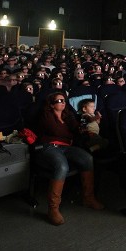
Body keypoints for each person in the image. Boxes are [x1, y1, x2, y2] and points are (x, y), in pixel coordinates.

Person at [35, 92, 104, 226]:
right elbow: (57, 131)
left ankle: (88, 198)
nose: (62, 102)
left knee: (87, 159)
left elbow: (77, 127)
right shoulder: (46, 115)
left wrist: (87, 123)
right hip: (49, 147)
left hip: (66, 146)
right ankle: (53, 208)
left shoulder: (67, 115)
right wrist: (73, 130)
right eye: (59, 101)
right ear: (51, 104)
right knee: (62, 166)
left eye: (64, 100)